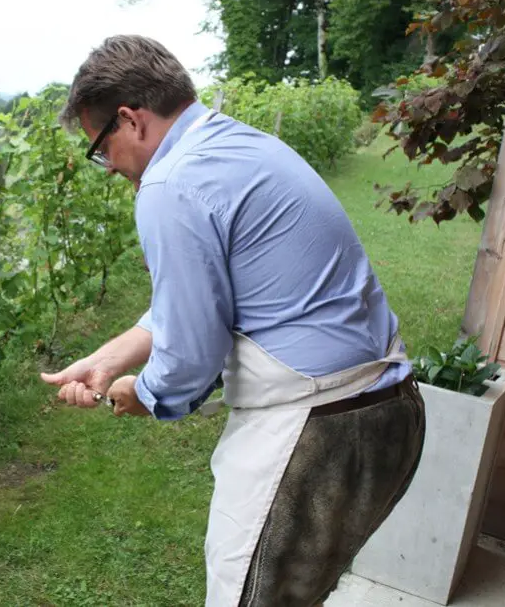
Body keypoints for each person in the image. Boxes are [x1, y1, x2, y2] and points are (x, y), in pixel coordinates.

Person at [40, 34, 426, 607]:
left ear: (129, 120)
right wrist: (107, 360)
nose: (108, 167)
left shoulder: (169, 186)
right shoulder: (240, 146)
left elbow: (191, 355)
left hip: (317, 434)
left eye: (101, 149)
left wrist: (144, 393)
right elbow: (200, 297)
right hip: (388, 409)